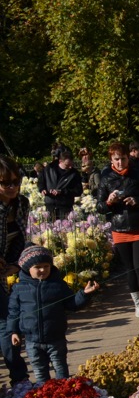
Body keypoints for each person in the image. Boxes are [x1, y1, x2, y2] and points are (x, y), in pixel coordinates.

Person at [8, 246, 98, 384]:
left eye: (46, 266)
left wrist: (84, 294)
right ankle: (46, 397)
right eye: (38, 267)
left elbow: (72, 304)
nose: (43, 270)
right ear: (27, 269)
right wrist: (14, 331)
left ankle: (63, 394)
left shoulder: (58, 285)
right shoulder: (19, 288)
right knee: (40, 372)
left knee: (61, 369)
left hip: (56, 338)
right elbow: (13, 311)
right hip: (32, 340)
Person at [98, 142, 139, 319]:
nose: (120, 163)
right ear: (111, 159)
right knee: (129, 269)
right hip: (119, 228)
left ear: (128, 157)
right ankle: (138, 305)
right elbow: (99, 206)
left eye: (123, 159)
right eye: (116, 159)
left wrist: (137, 200)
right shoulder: (106, 178)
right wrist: (109, 201)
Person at [0, 156, 31, 384]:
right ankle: (18, 378)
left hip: (5, 266)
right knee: (5, 322)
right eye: (5, 183)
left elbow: (20, 235)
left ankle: (18, 379)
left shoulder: (21, 203)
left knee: (8, 322)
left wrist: (15, 263)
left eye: (15, 182)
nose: (11, 187)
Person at [37, 146, 83, 220]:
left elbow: (78, 191)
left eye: (71, 164)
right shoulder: (48, 169)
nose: (70, 167)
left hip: (65, 206)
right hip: (50, 205)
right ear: (60, 161)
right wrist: (42, 189)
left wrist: (62, 191)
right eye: (67, 165)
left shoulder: (74, 173)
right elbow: (41, 182)